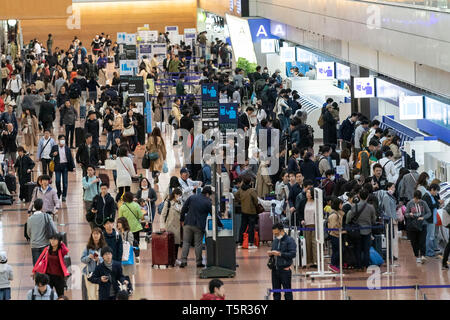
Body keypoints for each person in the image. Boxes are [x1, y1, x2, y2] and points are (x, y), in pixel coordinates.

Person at [179, 187, 222, 268]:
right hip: (199, 226)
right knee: (198, 244)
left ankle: (183, 261)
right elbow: (214, 215)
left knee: (186, 243)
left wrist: (182, 219)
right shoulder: (208, 202)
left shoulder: (192, 197)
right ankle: (199, 262)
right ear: (207, 194)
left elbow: (184, 208)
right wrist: (220, 224)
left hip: (188, 223)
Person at [345, 189, 377, 270]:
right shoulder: (371, 207)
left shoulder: (354, 206)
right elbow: (374, 220)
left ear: (359, 196)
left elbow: (349, 217)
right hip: (368, 231)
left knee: (357, 249)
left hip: (357, 231)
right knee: (366, 249)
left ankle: (359, 266)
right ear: (368, 196)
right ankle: (366, 265)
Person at [268, 223, 296, 301]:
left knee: (287, 292)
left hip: (285, 270)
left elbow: (293, 254)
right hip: (275, 270)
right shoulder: (275, 241)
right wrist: (271, 253)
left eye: (277, 233)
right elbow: (273, 251)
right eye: (274, 234)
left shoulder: (290, 240)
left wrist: (280, 254)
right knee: (276, 292)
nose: (276, 235)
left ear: (281, 231)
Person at [27, 198, 57, 265]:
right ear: (42, 206)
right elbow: (54, 230)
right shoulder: (47, 216)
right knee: (45, 265)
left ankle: (37, 275)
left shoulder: (30, 219)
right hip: (45, 244)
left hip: (34, 244)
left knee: (36, 266)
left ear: (34, 207)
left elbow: (28, 233)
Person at [405, 190, 431, 264]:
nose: (417, 200)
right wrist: (409, 214)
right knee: (414, 242)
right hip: (413, 225)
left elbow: (429, 212)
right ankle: (417, 256)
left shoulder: (423, 203)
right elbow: (406, 214)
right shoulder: (410, 203)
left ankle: (423, 255)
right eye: (416, 199)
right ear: (414, 197)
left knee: (422, 241)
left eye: (419, 199)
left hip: (422, 224)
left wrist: (423, 217)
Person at [81, 227, 106, 300]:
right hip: (90, 274)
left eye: (97, 234)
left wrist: (99, 259)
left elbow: (108, 260)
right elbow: (82, 259)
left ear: (101, 235)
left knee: (99, 295)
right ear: (91, 235)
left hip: (101, 274)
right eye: (94, 233)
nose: (95, 235)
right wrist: (89, 257)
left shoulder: (104, 247)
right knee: (91, 295)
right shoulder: (88, 247)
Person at [234, 176, 259, 250]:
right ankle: (250, 243)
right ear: (250, 182)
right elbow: (256, 201)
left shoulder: (241, 190)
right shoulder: (252, 190)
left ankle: (240, 243)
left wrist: (241, 200)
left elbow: (235, 195)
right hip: (252, 211)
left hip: (244, 211)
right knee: (251, 227)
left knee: (242, 227)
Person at [160, 188, 183, 261]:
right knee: (170, 244)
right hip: (169, 226)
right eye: (177, 194)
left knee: (176, 244)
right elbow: (163, 215)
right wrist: (162, 226)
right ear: (174, 195)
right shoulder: (168, 203)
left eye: (180, 195)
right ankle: (169, 259)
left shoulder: (180, 203)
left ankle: (175, 259)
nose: (178, 196)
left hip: (178, 227)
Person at [118, 192, 143, 257]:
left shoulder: (122, 207)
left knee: (126, 242)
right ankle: (137, 256)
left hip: (126, 228)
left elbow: (120, 218)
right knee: (136, 242)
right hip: (136, 227)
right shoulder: (136, 205)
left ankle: (128, 255)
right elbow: (140, 216)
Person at [297, 188, 317, 267]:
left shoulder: (317, 202)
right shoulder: (303, 202)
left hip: (315, 225)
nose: (308, 194)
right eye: (307, 192)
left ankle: (316, 261)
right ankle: (309, 261)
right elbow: (299, 212)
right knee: (307, 243)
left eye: (309, 192)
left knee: (314, 242)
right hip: (306, 225)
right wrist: (301, 219)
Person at [51, 135, 75, 202]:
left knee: (65, 182)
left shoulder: (67, 148)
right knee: (57, 181)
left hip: (65, 166)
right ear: (58, 140)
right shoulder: (55, 147)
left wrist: (73, 167)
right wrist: (53, 154)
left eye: (63, 139)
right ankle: (59, 192)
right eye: (61, 139)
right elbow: (50, 155)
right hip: (57, 166)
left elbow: (70, 158)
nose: (62, 141)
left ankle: (64, 195)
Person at [422, 184, 442, 258]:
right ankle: (429, 252)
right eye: (436, 191)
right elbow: (429, 206)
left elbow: (436, 204)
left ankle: (431, 251)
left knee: (431, 236)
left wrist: (438, 203)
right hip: (429, 219)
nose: (436, 193)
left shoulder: (432, 196)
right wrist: (438, 203)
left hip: (432, 219)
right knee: (429, 236)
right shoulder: (426, 196)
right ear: (432, 189)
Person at [328, 198, 345, 273]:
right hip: (335, 235)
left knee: (338, 250)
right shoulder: (334, 215)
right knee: (337, 251)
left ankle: (336, 265)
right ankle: (333, 264)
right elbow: (333, 227)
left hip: (337, 235)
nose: (342, 205)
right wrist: (341, 232)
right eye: (341, 204)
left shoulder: (338, 213)